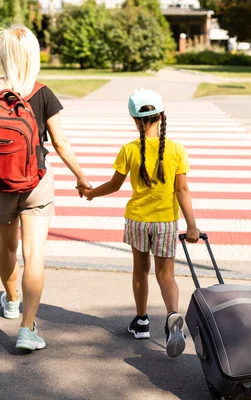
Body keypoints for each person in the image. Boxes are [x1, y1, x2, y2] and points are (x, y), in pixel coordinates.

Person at [0, 25, 91, 351]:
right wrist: (81, 176)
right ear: (33, 56)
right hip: (35, 183)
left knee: (7, 247)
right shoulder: (43, 93)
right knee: (34, 254)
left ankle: (10, 299)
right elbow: (61, 144)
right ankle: (27, 329)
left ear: (3, 54)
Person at [79, 89, 200, 358]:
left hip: (137, 220)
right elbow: (182, 191)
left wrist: (90, 193)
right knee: (165, 275)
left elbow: (113, 184)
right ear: (162, 116)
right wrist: (192, 226)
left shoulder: (129, 150)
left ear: (135, 120)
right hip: (166, 222)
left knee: (140, 271)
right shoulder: (177, 149)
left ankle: (142, 321)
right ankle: (171, 318)